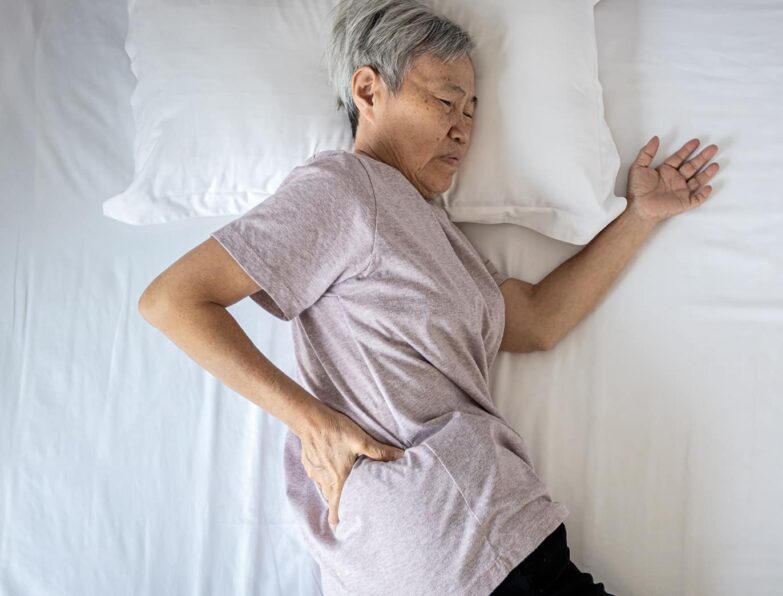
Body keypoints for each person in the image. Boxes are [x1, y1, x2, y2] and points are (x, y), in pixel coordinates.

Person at [137, 0, 720, 593]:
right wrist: (313, 423)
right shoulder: (345, 187)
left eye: (471, 108)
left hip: (455, 538)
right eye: (444, 101)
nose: (463, 126)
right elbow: (174, 300)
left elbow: (538, 321)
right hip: (455, 529)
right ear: (368, 89)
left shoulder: (442, 234)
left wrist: (640, 215)